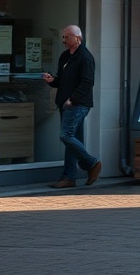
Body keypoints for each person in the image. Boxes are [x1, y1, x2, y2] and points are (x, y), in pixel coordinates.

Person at [42, 25, 101, 189]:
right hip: (65, 103)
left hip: (77, 104)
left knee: (66, 135)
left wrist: (73, 99)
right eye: (63, 37)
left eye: (67, 37)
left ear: (78, 38)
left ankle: (91, 163)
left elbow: (88, 82)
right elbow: (61, 80)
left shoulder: (85, 57)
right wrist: (52, 80)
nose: (64, 40)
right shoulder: (65, 56)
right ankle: (69, 176)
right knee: (72, 140)